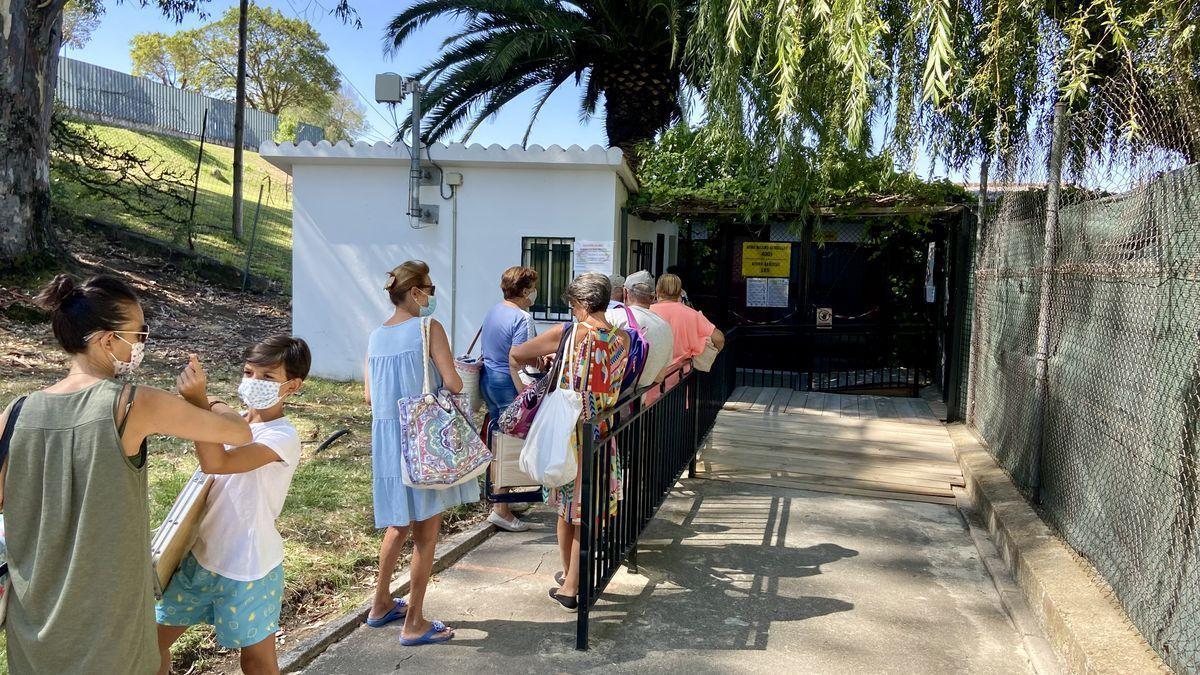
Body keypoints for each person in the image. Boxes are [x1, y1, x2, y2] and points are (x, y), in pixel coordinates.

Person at [0, 274, 253, 674]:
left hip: (34, 621)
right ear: (105, 340)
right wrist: (203, 398)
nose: (140, 347)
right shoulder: (134, 404)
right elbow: (239, 433)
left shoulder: (14, 414)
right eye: (137, 335)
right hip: (109, 623)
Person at [156, 336, 312, 675]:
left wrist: (200, 401)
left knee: (257, 662)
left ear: (293, 385)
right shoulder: (239, 419)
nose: (255, 383)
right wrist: (206, 404)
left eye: (268, 377)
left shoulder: (282, 436)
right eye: (249, 373)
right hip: (202, 557)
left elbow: (218, 463)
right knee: (149, 647)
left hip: (249, 568)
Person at [363, 260, 477, 646]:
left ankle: (379, 604)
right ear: (415, 292)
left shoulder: (376, 336)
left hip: (388, 441)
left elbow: (368, 396)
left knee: (398, 525)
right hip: (422, 441)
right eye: (429, 287)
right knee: (427, 535)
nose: (431, 294)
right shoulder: (429, 328)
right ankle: (414, 621)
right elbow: (454, 382)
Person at [509, 273, 629, 611]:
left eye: (574, 305)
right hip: (599, 431)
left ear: (585, 304)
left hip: (565, 433)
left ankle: (571, 584)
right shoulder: (624, 339)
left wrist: (528, 395)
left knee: (570, 510)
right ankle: (570, 575)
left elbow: (517, 354)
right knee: (582, 508)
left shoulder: (567, 333)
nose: (572, 311)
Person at [479, 266, 539, 532]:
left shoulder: (494, 311)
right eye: (533, 288)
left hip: (488, 379)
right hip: (508, 382)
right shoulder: (522, 318)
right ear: (525, 290)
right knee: (509, 444)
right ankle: (501, 508)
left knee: (497, 440)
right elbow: (520, 356)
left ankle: (502, 497)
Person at [606, 270, 675, 388]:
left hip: (612, 398)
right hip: (641, 399)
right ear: (652, 297)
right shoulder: (665, 326)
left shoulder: (612, 316)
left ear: (625, 292)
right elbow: (660, 376)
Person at [651, 273, 725, 365]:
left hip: (651, 372)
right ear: (680, 292)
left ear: (657, 290)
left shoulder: (647, 311)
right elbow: (719, 339)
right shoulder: (692, 314)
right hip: (681, 374)